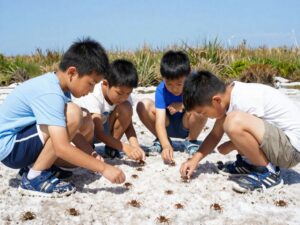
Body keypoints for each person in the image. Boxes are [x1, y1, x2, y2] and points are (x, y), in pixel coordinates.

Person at [0, 38, 126, 197]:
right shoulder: (51, 92)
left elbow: (68, 131)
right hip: (11, 148)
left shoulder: (59, 86)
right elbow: (61, 146)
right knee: (73, 113)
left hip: (22, 140)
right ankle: (33, 177)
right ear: (72, 73)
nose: (92, 89)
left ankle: (38, 166)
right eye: (91, 83)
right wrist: (104, 168)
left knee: (82, 115)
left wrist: (91, 154)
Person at [180, 70, 300, 192]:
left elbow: (250, 132)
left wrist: (230, 145)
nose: (206, 117)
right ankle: (248, 164)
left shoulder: (244, 98)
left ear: (216, 100)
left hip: (291, 150)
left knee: (233, 121)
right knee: (231, 120)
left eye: (203, 112)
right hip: (279, 143)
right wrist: (194, 160)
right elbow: (215, 135)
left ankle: (268, 172)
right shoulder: (228, 98)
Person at [136, 50, 207, 164]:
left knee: (200, 108)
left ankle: (191, 141)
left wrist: (183, 105)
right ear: (163, 78)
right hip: (166, 126)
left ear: (188, 77)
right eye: (169, 84)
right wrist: (166, 146)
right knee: (143, 105)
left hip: (187, 125)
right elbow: (159, 122)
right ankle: (162, 139)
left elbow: (205, 104)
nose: (174, 89)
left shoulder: (193, 83)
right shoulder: (161, 90)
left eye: (179, 84)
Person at [73, 59, 145, 161]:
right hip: (86, 133)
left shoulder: (124, 93)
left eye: (128, 93)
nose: (124, 97)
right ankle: (88, 148)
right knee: (88, 121)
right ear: (105, 84)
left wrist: (135, 147)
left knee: (126, 108)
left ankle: (112, 147)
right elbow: (98, 132)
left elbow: (128, 125)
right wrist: (125, 148)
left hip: (105, 129)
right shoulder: (94, 94)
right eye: (119, 93)